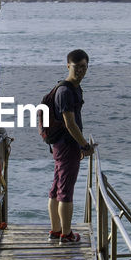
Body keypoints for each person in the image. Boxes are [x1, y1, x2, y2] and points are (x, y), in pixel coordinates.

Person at [48, 49, 93, 244]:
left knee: (57, 187)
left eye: (84, 67)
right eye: (77, 67)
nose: (81, 71)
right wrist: (84, 145)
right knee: (65, 190)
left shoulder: (72, 88)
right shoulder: (66, 91)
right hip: (67, 146)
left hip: (62, 145)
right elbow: (70, 123)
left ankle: (56, 230)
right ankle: (65, 235)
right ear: (68, 66)